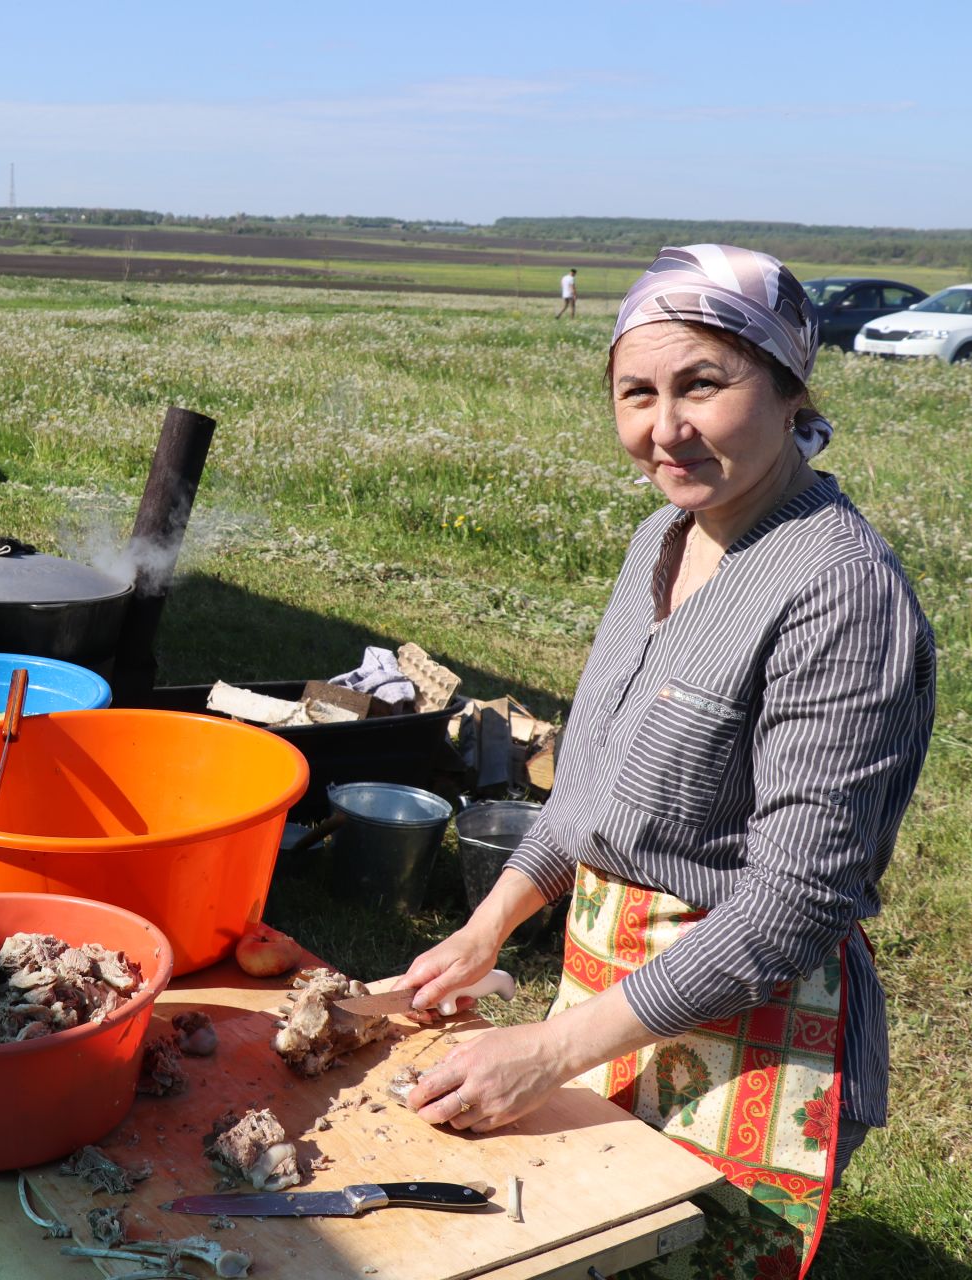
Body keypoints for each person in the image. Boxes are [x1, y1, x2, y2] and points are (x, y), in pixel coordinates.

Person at [396, 245, 934, 1278]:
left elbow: (791, 906)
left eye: (704, 383)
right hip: (609, 992)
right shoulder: (661, 537)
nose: (665, 427)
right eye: (636, 392)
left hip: (752, 1024)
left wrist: (550, 1050)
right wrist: (488, 922)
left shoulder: (838, 589)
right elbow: (591, 782)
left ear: (788, 390)